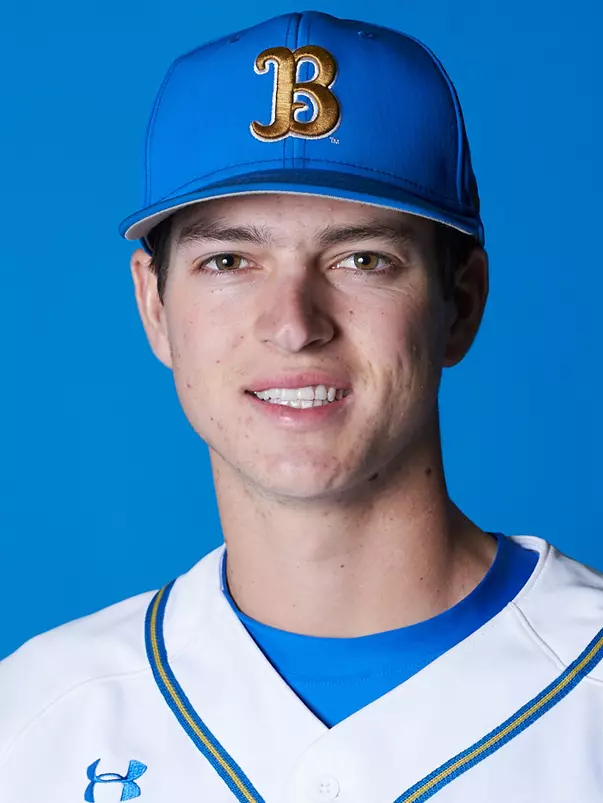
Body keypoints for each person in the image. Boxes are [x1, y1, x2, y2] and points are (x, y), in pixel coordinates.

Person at [1, 10, 602, 803]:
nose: (293, 324)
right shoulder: (35, 717)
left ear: (460, 303)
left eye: (362, 258)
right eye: (228, 259)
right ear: (154, 307)